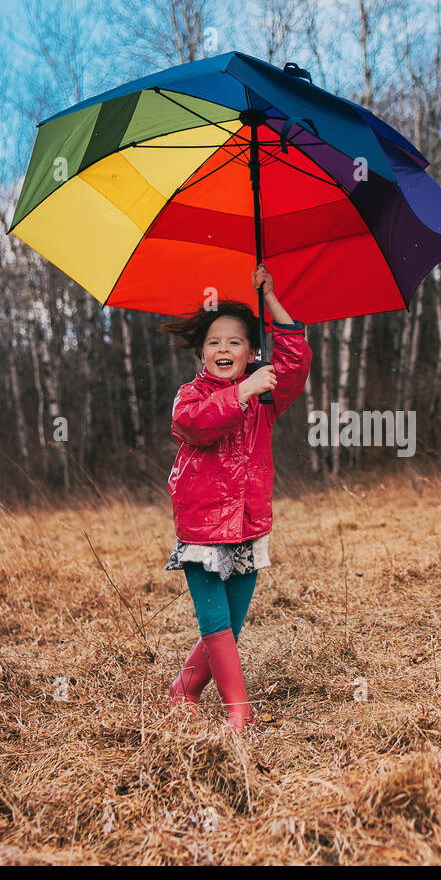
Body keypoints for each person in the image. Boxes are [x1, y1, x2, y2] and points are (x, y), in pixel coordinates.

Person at [156, 264, 312, 731]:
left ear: (251, 351)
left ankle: (184, 688)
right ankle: (238, 713)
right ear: (202, 352)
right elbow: (195, 427)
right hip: (203, 530)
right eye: (214, 342)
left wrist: (272, 300)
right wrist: (241, 391)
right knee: (215, 624)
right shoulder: (192, 395)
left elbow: (296, 361)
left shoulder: (267, 395)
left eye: (235, 342)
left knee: (231, 625)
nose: (224, 349)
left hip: (249, 524)